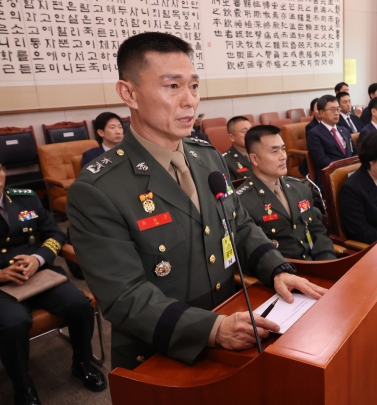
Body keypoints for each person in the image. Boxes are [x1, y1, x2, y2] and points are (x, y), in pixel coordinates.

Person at [66, 32, 326, 371]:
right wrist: (212, 329)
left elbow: (238, 224)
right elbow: (124, 297)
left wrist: (276, 268)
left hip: (232, 333)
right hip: (161, 356)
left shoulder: (206, 158)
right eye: (172, 87)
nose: (189, 100)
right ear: (128, 93)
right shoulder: (98, 188)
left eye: (193, 86)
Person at [0, 161, 106, 405]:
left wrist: (38, 259)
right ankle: (23, 388)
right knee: (15, 323)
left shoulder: (25, 198)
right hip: (1, 287)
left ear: (4, 173)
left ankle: (81, 363)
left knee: (80, 304)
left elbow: (55, 233)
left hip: (37, 275)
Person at [237, 126, 336, 261]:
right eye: (274, 151)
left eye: (283, 149)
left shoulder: (300, 188)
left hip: (315, 264)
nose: (283, 156)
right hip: (282, 273)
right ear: (254, 159)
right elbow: (251, 253)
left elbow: (316, 230)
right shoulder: (242, 201)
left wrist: (327, 261)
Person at [306, 95, 357, 191]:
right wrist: (343, 171)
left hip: (351, 174)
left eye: (338, 109)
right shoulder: (314, 134)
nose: (336, 113)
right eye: (332, 110)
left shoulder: (345, 130)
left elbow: (354, 152)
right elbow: (322, 161)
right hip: (330, 177)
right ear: (321, 113)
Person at [223, 116, 253, 180]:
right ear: (232, 137)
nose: (250, 134)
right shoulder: (225, 161)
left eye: (251, 130)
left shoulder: (261, 153)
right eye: (244, 131)